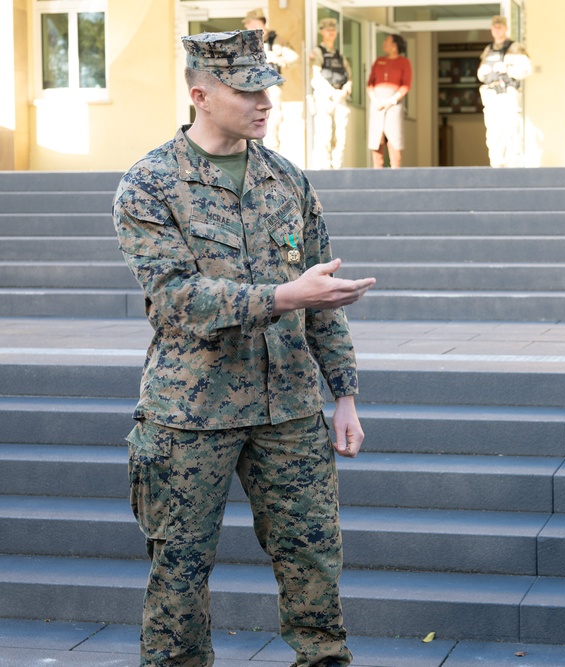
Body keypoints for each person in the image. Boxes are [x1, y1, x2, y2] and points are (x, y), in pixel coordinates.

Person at [112, 29, 376, 666]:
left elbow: (324, 296)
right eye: (248, 89)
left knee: (313, 559)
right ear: (201, 95)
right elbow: (179, 299)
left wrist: (344, 396)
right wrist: (286, 296)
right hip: (190, 415)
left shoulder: (286, 180)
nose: (265, 101)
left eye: (269, 89)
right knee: (179, 570)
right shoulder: (149, 185)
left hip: (289, 409)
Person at [476, 15, 531, 168]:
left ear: (506, 28)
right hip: (491, 97)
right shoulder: (489, 49)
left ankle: (514, 169)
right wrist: (484, 71)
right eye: (494, 27)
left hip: (507, 96)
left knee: (511, 132)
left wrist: (507, 68)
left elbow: (526, 69)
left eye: (500, 27)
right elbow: (480, 74)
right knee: (493, 135)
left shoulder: (515, 49)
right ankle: (496, 167)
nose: (497, 30)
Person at [243, 8, 298, 152]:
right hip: (250, 88)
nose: (247, 27)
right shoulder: (246, 43)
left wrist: (276, 58)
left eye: (249, 23)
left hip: (271, 87)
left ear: (259, 23)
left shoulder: (276, 40)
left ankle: (271, 160)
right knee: (248, 123)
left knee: (272, 124)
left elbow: (294, 58)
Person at [310, 17, 352, 169]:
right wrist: (333, 93)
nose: (331, 33)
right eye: (328, 30)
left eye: (333, 30)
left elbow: (348, 75)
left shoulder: (339, 55)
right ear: (322, 31)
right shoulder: (317, 52)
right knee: (325, 134)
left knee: (341, 137)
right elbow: (315, 76)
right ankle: (326, 169)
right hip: (325, 99)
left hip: (340, 99)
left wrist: (347, 88)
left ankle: (337, 167)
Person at [366, 34, 411, 168]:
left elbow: (406, 85)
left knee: (394, 138)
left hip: (393, 103)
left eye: (387, 41)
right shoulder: (378, 61)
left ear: (395, 45)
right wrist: (374, 99)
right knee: (376, 138)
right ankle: (377, 173)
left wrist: (391, 101)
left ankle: (395, 173)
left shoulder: (404, 62)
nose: (384, 43)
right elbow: (370, 83)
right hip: (377, 103)